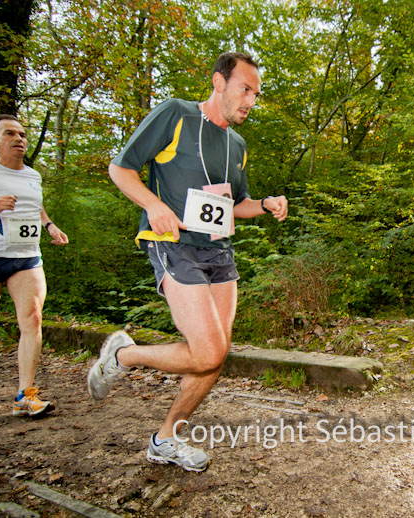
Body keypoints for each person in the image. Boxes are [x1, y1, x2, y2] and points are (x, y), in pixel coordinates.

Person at [87, 52, 288, 472]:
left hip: (219, 250)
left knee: (214, 355)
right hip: (174, 243)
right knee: (209, 351)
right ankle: (124, 356)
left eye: (256, 94)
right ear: (218, 82)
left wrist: (265, 204)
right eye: (245, 90)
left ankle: (165, 439)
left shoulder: (237, 145)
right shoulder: (176, 114)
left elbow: (235, 204)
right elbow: (121, 169)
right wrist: (153, 205)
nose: (251, 101)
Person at [0, 114, 69, 417]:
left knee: (32, 318)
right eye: (10, 133)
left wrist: (49, 225)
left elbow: (36, 205)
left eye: (22, 134)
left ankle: (26, 395)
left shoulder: (32, 175)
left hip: (26, 257)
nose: (19, 139)